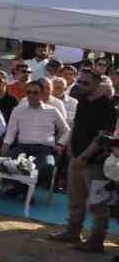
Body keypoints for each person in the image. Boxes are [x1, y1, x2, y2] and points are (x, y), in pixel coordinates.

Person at [52, 72, 118, 247]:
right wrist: (70, 149)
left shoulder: (107, 106)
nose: (81, 85)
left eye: (85, 82)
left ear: (97, 82)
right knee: (75, 198)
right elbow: (76, 126)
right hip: (76, 158)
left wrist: (85, 156)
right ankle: (73, 231)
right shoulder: (82, 101)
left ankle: (96, 240)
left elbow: (102, 136)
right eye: (80, 82)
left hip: (95, 162)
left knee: (98, 203)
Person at [1, 78, 69, 193]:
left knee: (48, 167)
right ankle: (25, 190)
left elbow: (66, 130)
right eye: (29, 92)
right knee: (4, 164)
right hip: (22, 148)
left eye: (35, 93)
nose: (31, 95)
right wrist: (6, 144)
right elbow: (11, 131)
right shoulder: (18, 110)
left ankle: (22, 189)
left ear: (42, 94)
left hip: (44, 149)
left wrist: (60, 144)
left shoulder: (53, 111)